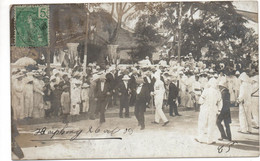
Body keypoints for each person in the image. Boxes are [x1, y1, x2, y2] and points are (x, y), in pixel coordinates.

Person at [196, 78, 222, 144]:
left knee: (202, 123)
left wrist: (202, 103)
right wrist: (219, 110)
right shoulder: (218, 92)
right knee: (211, 124)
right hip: (213, 109)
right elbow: (220, 102)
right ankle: (209, 140)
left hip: (205, 108)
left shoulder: (206, 90)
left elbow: (200, 101)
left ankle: (200, 138)